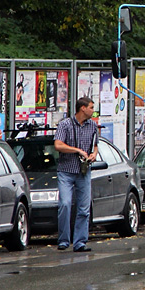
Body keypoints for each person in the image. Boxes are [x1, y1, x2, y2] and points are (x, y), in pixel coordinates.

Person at [53, 97, 99, 252]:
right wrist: (77, 150)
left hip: (83, 172)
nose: (93, 110)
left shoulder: (92, 125)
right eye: (91, 107)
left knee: (84, 208)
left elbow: (95, 146)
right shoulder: (65, 124)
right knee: (65, 204)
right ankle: (64, 239)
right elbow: (58, 145)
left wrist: (93, 155)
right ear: (83, 109)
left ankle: (80, 242)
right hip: (66, 171)